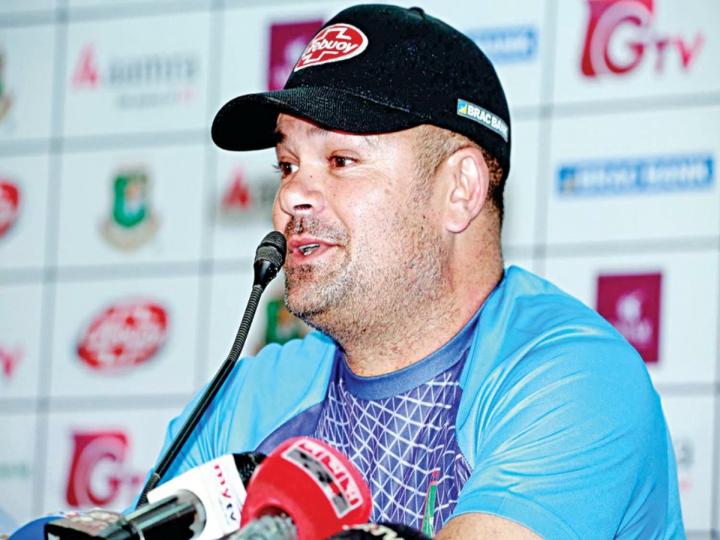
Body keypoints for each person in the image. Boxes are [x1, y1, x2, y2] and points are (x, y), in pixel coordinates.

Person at [153, 4, 684, 538]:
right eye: (287, 166)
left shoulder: (577, 380)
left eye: (341, 161)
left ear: (460, 191)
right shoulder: (246, 397)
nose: (290, 197)